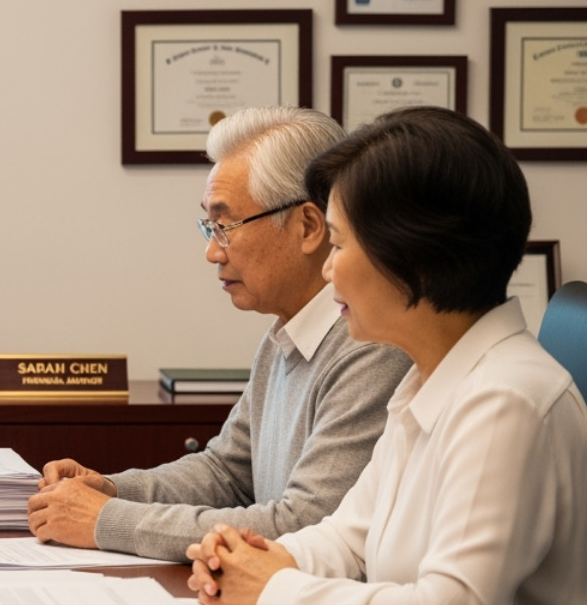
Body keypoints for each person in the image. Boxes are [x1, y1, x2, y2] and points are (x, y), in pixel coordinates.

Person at [186, 106, 587, 605]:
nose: (327, 268)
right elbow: (348, 539)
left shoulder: (506, 400)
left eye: (338, 244)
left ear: (413, 258)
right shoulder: (428, 381)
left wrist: (273, 589)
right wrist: (258, 559)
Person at [28, 107, 410, 561]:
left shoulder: (372, 346)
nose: (212, 252)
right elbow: (226, 472)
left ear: (308, 226)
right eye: (209, 227)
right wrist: (110, 489)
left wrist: (105, 519)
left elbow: (305, 524)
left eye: (225, 227)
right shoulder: (284, 336)